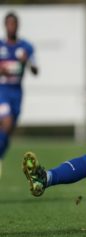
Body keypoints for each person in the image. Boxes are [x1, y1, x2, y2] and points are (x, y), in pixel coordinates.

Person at [0, 12, 38, 178]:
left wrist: (27, 61)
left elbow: (36, 70)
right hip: (2, 90)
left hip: (17, 92)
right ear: (4, 26)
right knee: (6, 122)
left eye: (13, 24)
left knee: (8, 131)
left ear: (17, 26)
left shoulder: (27, 47)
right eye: (8, 24)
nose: (11, 27)